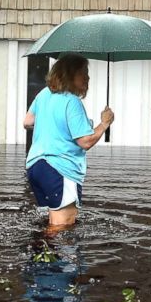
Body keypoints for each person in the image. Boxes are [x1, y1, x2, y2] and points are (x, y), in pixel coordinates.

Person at [23, 53, 114, 229]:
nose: (87, 78)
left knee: (54, 221)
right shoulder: (72, 102)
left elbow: (27, 122)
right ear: (69, 74)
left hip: (35, 166)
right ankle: (50, 256)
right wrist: (104, 123)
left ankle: (40, 253)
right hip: (59, 168)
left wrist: (52, 125)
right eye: (83, 73)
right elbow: (85, 142)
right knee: (63, 226)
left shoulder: (44, 94)